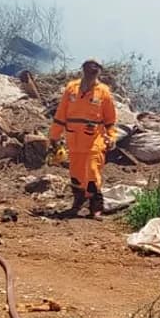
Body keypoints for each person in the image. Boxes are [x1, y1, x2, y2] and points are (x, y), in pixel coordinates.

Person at [48, 58, 118, 218]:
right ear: (83, 69)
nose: (91, 69)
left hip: (95, 139)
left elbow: (110, 120)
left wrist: (112, 136)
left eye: (95, 67)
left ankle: (95, 207)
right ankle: (78, 202)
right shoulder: (71, 88)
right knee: (76, 174)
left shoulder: (103, 92)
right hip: (74, 139)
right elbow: (61, 114)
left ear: (99, 70)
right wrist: (54, 136)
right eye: (88, 66)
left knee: (93, 171)